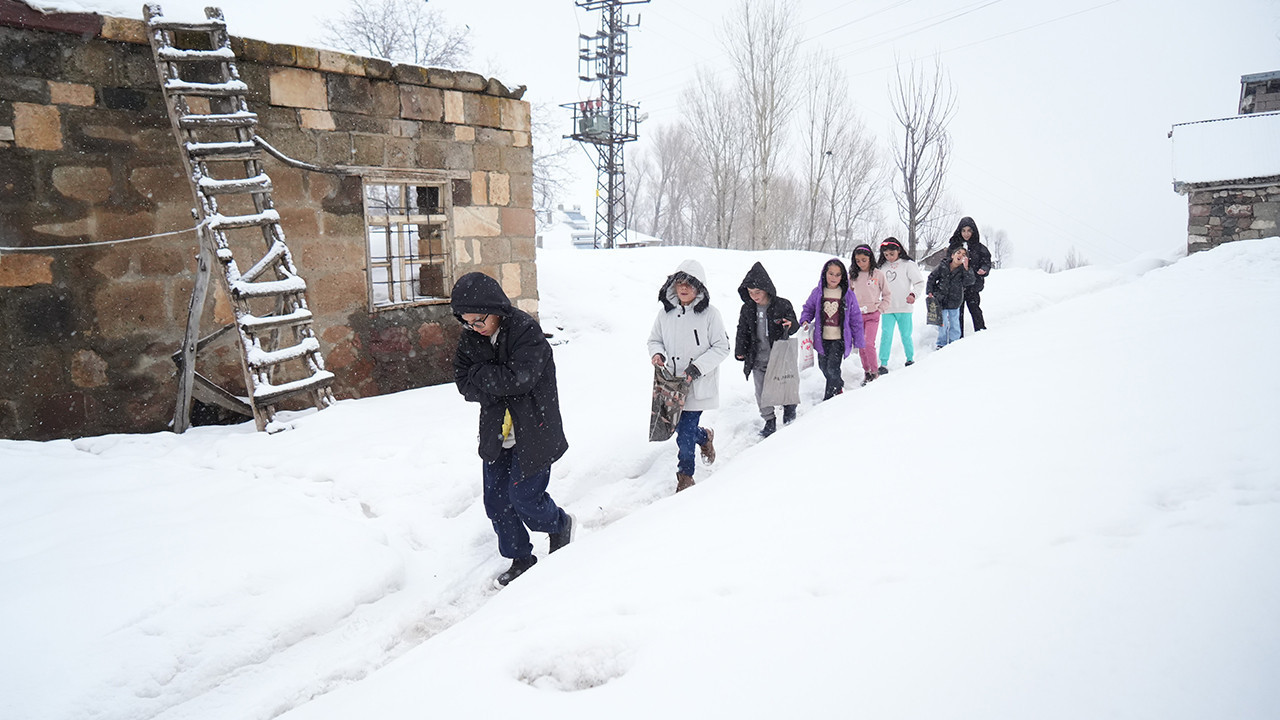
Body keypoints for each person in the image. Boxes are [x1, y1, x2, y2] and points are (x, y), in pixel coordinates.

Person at [452, 271, 574, 588]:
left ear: (496, 310)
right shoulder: (470, 339)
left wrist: (487, 377)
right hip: (497, 432)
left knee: (524, 497)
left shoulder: (524, 331)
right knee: (496, 501)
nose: (474, 328)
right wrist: (496, 380)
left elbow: (521, 379)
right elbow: (464, 384)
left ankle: (558, 523)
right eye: (467, 322)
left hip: (534, 428)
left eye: (479, 321)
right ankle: (520, 558)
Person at [647, 259, 731, 493]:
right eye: (679, 283)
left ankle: (685, 477)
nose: (683, 288)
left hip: (697, 385)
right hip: (672, 385)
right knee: (675, 428)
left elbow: (722, 347)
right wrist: (657, 354)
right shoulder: (665, 314)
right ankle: (704, 437)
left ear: (700, 287)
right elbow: (654, 340)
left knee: (683, 435)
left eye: (689, 284)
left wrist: (697, 368)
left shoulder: (711, 315)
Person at [733, 261, 799, 438]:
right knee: (761, 391)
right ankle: (769, 420)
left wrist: (790, 324)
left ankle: (789, 407)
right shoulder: (747, 309)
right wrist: (740, 349)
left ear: (767, 290)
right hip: (758, 357)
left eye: (758, 292)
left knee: (785, 384)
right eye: (750, 292)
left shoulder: (782, 305)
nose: (754, 296)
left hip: (780, 356)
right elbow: (742, 330)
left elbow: (794, 324)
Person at [799, 258, 864, 400]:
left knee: (832, 368)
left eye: (838, 274)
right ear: (824, 274)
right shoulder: (818, 292)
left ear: (842, 277)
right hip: (821, 339)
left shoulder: (847, 294)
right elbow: (808, 308)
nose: (834, 277)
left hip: (839, 339)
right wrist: (805, 319)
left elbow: (855, 318)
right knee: (823, 367)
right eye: (831, 273)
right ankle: (838, 384)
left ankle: (830, 398)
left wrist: (858, 340)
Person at [875, 237, 925, 374]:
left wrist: (913, 295)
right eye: (886, 255)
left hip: (904, 307)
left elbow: (919, 283)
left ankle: (910, 359)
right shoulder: (881, 267)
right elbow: (875, 285)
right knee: (886, 335)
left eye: (892, 254)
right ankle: (883, 363)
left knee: (906, 335)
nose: (889, 257)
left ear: (898, 250)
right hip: (887, 308)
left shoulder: (908, 264)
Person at [850, 244, 891, 386]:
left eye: (864, 260)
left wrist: (881, 308)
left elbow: (887, 294)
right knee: (861, 345)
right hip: (857, 315)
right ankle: (866, 371)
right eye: (857, 260)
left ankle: (875, 372)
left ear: (870, 259)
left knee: (868, 343)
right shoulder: (853, 276)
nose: (861, 263)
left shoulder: (878, 274)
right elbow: (848, 296)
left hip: (873, 314)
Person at [946, 216, 992, 336]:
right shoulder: (953, 247)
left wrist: (984, 269)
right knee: (957, 312)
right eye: (964, 230)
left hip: (973, 284)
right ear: (959, 231)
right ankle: (957, 336)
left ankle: (981, 332)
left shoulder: (979, 248)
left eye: (969, 231)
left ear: (974, 231)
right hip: (957, 286)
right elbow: (946, 263)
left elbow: (986, 261)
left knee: (975, 308)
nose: (966, 234)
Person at [926, 245, 975, 350]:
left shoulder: (963, 270)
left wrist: (967, 269)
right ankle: (941, 343)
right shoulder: (943, 266)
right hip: (941, 299)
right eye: (958, 253)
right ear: (952, 255)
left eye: (963, 255)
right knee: (942, 323)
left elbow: (969, 282)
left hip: (955, 300)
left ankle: (955, 342)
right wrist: (930, 291)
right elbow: (932, 277)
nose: (960, 256)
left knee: (954, 322)